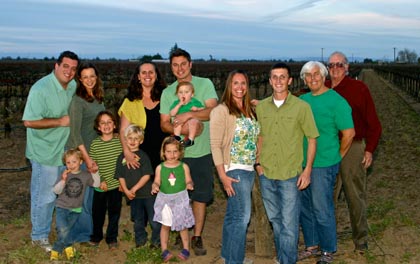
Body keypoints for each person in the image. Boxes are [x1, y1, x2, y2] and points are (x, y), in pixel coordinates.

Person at [255, 62, 319, 264]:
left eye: (283, 77)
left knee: (289, 224)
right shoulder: (262, 106)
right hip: (267, 173)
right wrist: (258, 164)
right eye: (275, 77)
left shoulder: (302, 107)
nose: (278, 81)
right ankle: (284, 258)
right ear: (270, 80)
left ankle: (287, 261)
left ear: (290, 81)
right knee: (276, 221)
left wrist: (307, 170)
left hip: (291, 174)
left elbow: (312, 138)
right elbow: (260, 137)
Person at [160, 48, 218, 256]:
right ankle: (179, 230)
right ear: (171, 67)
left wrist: (185, 118)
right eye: (175, 65)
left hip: (202, 152)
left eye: (183, 64)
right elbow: (165, 124)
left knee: (200, 196)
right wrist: (186, 128)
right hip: (177, 155)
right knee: (177, 195)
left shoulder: (205, 84)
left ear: (190, 64)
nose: (179, 68)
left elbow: (213, 111)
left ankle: (197, 236)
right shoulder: (168, 92)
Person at [298, 61, 355, 264]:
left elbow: (349, 133)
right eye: (308, 75)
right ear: (304, 79)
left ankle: (328, 249)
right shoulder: (302, 100)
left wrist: (337, 156)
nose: (313, 78)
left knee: (322, 208)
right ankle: (312, 245)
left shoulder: (336, 101)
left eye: (317, 74)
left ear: (324, 77)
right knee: (305, 207)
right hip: (302, 163)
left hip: (323, 164)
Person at [22, 50, 79, 252]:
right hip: (44, 152)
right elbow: (28, 121)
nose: (69, 72)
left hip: (63, 150)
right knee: (44, 195)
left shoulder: (72, 85)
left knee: (59, 193)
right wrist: (60, 122)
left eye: (73, 69)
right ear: (56, 66)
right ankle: (39, 236)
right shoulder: (41, 89)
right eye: (65, 67)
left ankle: (54, 229)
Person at [326, 51, 382, 252]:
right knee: (326, 197)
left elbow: (374, 125)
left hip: (353, 148)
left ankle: (360, 239)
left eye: (339, 65)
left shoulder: (359, 89)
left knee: (354, 196)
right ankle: (327, 241)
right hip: (327, 149)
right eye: (331, 65)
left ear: (347, 67)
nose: (335, 69)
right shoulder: (320, 88)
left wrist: (369, 150)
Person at [210, 70, 260, 264]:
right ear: (229, 86)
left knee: (233, 215)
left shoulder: (250, 109)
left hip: (248, 169)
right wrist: (222, 175)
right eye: (235, 84)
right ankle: (236, 260)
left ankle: (228, 256)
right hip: (233, 169)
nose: (239, 87)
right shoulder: (221, 111)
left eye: (243, 83)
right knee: (242, 217)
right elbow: (215, 145)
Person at [67, 62, 105, 243]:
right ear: (79, 80)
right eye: (85, 77)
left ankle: (87, 232)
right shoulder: (77, 101)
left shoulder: (97, 98)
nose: (89, 80)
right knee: (80, 198)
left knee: (90, 197)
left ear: (96, 78)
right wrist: (87, 159)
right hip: (81, 156)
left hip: (93, 153)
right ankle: (79, 235)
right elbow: (74, 133)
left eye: (92, 76)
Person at [115, 124, 161, 248]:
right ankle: (140, 239)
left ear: (141, 141)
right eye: (130, 138)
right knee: (138, 220)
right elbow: (120, 176)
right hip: (133, 196)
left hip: (148, 194)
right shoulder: (121, 157)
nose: (133, 141)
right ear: (125, 140)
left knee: (154, 220)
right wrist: (126, 191)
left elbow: (147, 175)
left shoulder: (144, 156)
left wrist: (133, 189)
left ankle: (157, 240)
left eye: (136, 139)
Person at [50, 149, 100, 260]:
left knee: (67, 230)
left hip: (76, 209)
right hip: (62, 207)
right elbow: (56, 191)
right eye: (68, 162)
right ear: (65, 163)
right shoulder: (65, 174)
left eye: (74, 162)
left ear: (80, 162)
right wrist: (63, 180)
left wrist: (95, 172)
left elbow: (96, 184)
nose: (71, 165)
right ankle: (57, 249)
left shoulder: (85, 175)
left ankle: (67, 246)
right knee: (62, 229)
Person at [151, 136, 195, 262]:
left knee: (182, 226)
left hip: (180, 199)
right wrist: (154, 186)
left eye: (175, 151)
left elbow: (188, 179)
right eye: (169, 151)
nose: (172, 154)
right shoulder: (160, 167)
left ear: (180, 152)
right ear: (163, 152)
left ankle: (186, 248)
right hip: (165, 200)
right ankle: (164, 249)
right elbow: (156, 181)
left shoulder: (184, 166)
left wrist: (189, 184)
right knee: (165, 225)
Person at [118, 61, 168, 170]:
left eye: (151, 72)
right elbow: (123, 130)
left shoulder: (166, 97)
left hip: (164, 153)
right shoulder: (130, 101)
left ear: (156, 76)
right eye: (144, 72)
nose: (148, 75)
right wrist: (126, 152)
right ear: (138, 77)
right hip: (140, 156)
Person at [88, 111, 123, 249]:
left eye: (109, 122)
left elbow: (123, 163)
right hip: (100, 185)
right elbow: (93, 167)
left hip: (116, 185)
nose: (106, 125)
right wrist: (101, 180)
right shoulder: (95, 144)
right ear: (98, 127)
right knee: (98, 212)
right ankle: (96, 236)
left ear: (114, 125)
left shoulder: (119, 142)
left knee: (115, 212)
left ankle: (112, 238)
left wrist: (122, 182)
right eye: (103, 123)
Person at [170, 81, 204, 147]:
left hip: (191, 120)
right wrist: (179, 105)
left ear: (192, 94)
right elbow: (172, 114)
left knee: (193, 122)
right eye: (180, 92)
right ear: (177, 94)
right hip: (180, 121)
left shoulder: (194, 102)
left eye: (186, 92)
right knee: (176, 121)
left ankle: (190, 140)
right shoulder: (176, 103)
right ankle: (177, 137)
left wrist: (197, 109)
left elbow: (203, 109)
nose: (183, 94)